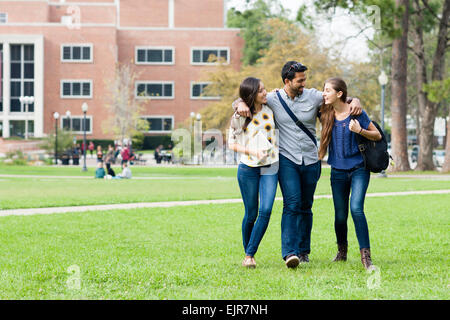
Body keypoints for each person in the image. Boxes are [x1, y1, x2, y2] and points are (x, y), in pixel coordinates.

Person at [234, 61, 362, 268]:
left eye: (305, 79)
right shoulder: (273, 99)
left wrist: (355, 99)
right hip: (287, 160)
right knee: (291, 204)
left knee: (306, 206)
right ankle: (290, 253)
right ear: (287, 81)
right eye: (300, 80)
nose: (304, 83)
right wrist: (238, 103)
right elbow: (249, 97)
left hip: (311, 160)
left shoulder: (313, 96)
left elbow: (338, 98)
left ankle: (304, 251)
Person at [319, 77, 381, 270]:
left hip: (359, 169)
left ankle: (366, 256)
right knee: (340, 215)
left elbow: (377, 135)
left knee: (356, 209)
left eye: (328, 90)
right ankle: (342, 251)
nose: (324, 93)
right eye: (324, 90)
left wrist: (360, 130)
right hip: (337, 171)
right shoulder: (325, 112)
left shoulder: (356, 112)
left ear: (339, 94)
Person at [228, 77, 279, 269]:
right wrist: (252, 152)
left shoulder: (271, 108)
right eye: (260, 91)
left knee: (265, 210)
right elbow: (231, 143)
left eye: (265, 89)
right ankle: (248, 254)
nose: (265, 93)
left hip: (270, 166)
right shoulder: (239, 115)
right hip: (247, 167)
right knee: (251, 213)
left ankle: (249, 254)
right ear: (251, 95)